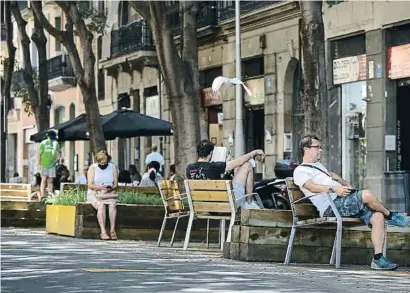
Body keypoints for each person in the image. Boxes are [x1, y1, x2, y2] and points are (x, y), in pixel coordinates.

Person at [293, 134, 410, 271]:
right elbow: (312, 187)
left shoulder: (318, 167)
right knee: (367, 194)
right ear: (306, 149)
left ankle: (378, 259)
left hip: (342, 201)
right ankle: (392, 216)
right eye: (317, 147)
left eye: (320, 147)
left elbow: (339, 182)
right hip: (331, 207)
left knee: (378, 216)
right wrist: (334, 188)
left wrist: (340, 181)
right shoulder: (300, 170)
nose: (320, 150)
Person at [186, 139, 264, 209]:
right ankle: (249, 202)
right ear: (211, 153)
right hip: (225, 205)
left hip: (203, 205)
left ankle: (248, 202)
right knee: (247, 165)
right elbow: (240, 161)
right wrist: (255, 152)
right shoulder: (214, 166)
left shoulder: (189, 168)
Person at [87, 150, 119, 240]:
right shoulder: (93, 168)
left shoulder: (112, 167)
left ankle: (112, 231)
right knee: (101, 206)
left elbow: (116, 184)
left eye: (105, 162)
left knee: (112, 205)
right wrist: (100, 187)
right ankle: (103, 232)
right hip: (94, 193)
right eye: (101, 163)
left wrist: (110, 188)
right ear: (98, 161)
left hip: (108, 193)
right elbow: (89, 185)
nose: (104, 164)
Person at [38, 129, 61, 200]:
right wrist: (39, 163)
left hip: (51, 164)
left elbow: (58, 154)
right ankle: (42, 195)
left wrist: (56, 160)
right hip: (45, 164)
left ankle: (49, 194)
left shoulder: (56, 143)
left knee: (49, 180)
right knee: (45, 179)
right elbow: (39, 153)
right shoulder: (43, 143)